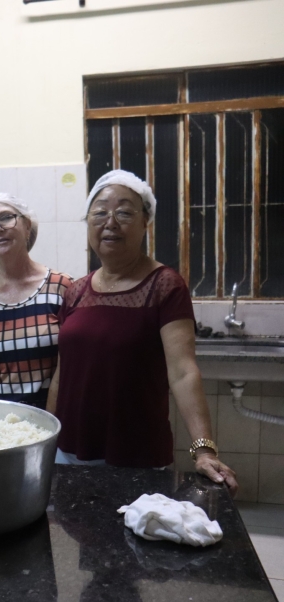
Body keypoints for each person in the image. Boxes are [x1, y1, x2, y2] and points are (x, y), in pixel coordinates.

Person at [46, 170, 238, 494]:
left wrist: (204, 449)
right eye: (100, 212)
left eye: (123, 212)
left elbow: (183, 371)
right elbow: (62, 373)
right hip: (70, 450)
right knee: (80, 539)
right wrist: (45, 438)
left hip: (136, 454)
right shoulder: (75, 291)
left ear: (145, 222)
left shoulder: (164, 285)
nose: (110, 222)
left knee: (135, 542)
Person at [0, 194, 73, 408]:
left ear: (27, 226)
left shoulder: (62, 288)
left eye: (6, 218)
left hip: (54, 418)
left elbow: (74, 366)